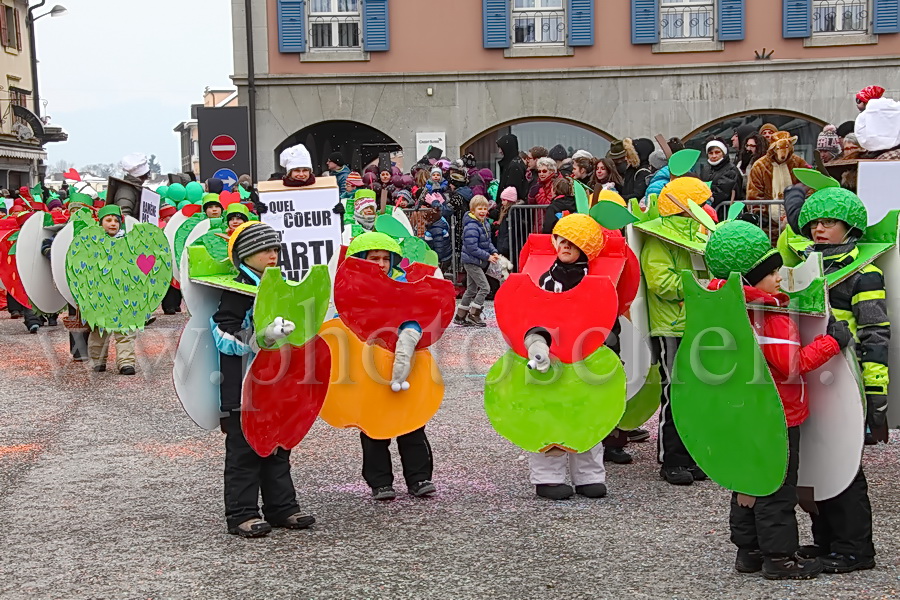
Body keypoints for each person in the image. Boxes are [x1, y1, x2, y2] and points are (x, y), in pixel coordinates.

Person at [704, 219, 846, 580]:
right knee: (776, 487)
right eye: (773, 272)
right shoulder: (768, 314)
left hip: (739, 412)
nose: (780, 278)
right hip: (777, 413)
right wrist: (831, 343)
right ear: (753, 279)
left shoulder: (722, 306)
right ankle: (780, 558)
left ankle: (748, 551)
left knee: (746, 481)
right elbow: (791, 365)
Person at [790, 183, 883, 572]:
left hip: (846, 380)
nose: (819, 229)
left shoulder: (865, 270)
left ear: (850, 227)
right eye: (815, 222)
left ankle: (855, 549)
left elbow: (877, 333)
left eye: (830, 223)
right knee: (817, 460)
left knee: (845, 464)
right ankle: (826, 539)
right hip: (812, 375)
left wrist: (877, 393)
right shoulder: (801, 266)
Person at [212, 221, 315, 537]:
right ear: (246, 254)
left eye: (274, 249)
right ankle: (241, 513)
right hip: (243, 388)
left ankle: (282, 507)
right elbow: (222, 333)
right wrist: (260, 337)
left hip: (277, 385)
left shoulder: (280, 285)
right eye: (264, 250)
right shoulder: (237, 290)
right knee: (244, 451)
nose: (272, 255)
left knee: (277, 446)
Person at [345, 232, 437, 500]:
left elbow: (418, 312)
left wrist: (411, 332)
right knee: (373, 425)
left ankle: (419, 477)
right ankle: (380, 481)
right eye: (374, 258)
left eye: (386, 258)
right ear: (361, 261)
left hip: (404, 361)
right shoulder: (352, 289)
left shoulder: (403, 284)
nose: (381, 263)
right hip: (369, 364)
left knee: (412, 421)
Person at [525, 214, 609, 500]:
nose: (565, 246)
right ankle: (549, 477)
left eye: (573, 242)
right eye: (561, 240)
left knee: (587, 413)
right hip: (554, 355)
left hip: (587, 355)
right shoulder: (546, 279)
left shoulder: (596, 280)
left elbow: (608, 317)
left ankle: (588, 475)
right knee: (551, 414)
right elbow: (534, 315)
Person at [640, 178, 710, 485]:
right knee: (676, 393)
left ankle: (693, 455)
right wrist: (701, 288)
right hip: (671, 326)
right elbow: (661, 284)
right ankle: (672, 459)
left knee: (699, 395)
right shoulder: (658, 240)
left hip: (696, 323)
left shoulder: (701, 235)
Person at [87, 205, 137, 376]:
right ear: (100, 223)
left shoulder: (128, 243)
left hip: (123, 294)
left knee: (125, 330)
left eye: (116, 220)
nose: (113, 224)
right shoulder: (92, 245)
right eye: (108, 220)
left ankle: (126, 362)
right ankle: (97, 361)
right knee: (99, 330)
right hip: (100, 294)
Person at [455, 195, 499, 328]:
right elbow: (472, 247)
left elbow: (487, 242)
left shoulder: (484, 223)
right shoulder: (471, 226)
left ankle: (460, 315)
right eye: (480, 208)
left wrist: (493, 251)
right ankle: (474, 314)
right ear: (472, 210)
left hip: (477, 261)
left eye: (485, 208)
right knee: (485, 287)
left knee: (471, 289)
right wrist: (487, 256)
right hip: (472, 261)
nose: (483, 211)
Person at [699, 139, 744, 220]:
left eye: (717, 152)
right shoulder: (706, 169)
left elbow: (722, 192)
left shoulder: (731, 170)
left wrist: (706, 200)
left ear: (723, 153)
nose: (714, 156)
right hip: (710, 212)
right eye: (710, 153)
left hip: (726, 213)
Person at [497, 134, 528, 201]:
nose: (499, 151)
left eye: (501, 148)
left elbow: (512, 190)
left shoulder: (514, 166)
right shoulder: (514, 163)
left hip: (510, 206)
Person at [422, 206, 452, 272]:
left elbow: (439, 246)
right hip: (444, 256)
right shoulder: (436, 227)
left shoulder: (436, 230)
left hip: (442, 258)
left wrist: (438, 259)